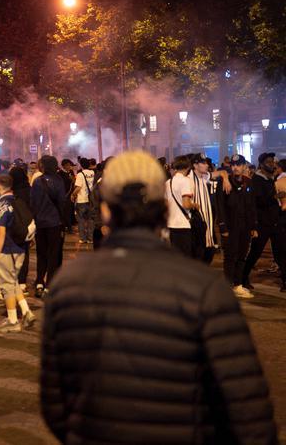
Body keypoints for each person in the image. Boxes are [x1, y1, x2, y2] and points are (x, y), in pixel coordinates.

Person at [40, 150, 277, 443]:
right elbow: (246, 407)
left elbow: (55, 403)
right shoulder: (202, 286)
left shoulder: (69, 286)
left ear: (105, 212)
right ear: (164, 211)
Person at [0, 174, 35, 333]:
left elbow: (1, 230)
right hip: (20, 247)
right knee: (13, 281)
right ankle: (26, 311)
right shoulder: (18, 201)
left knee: (7, 286)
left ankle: (12, 320)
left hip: (7, 248)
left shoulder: (2, 204)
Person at [242, 152, 284, 291]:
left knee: (281, 252)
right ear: (261, 164)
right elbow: (258, 201)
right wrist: (276, 196)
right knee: (255, 252)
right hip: (262, 223)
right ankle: (242, 278)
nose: (272, 164)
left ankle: (285, 283)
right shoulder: (257, 180)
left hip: (275, 222)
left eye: (273, 161)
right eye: (268, 162)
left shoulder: (271, 179)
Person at [29, 155, 67, 298]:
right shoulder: (59, 181)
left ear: (43, 166)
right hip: (55, 222)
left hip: (41, 222)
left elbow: (33, 203)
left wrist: (35, 218)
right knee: (53, 253)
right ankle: (50, 285)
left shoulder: (37, 181)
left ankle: (39, 281)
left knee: (41, 253)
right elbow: (62, 202)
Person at [224, 155, 259, 299]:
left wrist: (253, 227)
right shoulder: (226, 182)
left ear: (244, 166)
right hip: (231, 226)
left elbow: (251, 207)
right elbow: (221, 206)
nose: (235, 167)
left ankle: (238, 285)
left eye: (238, 164)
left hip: (245, 226)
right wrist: (222, 226)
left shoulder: (248, 182)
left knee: (242, 256)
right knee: (230, 257)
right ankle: (227, 286)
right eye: (233, 165)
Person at [164, 155, 195, 258]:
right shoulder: (185, 181)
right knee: (185, 258)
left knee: (174, 258)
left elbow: (166, 204)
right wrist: (195, 205)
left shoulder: (168, 182)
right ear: (187, 167)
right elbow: (186, 204)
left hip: (171, 225)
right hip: (183, 224)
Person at [71, 158, 96, 244]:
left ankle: (83, 238)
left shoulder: (80, 174)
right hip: (91, 200)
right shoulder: (93, 173)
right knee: (90, 220)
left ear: (81, 165)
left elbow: (78, 187)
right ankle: (91, 238)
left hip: (81, 200)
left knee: (81, 220)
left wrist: (73, 194)